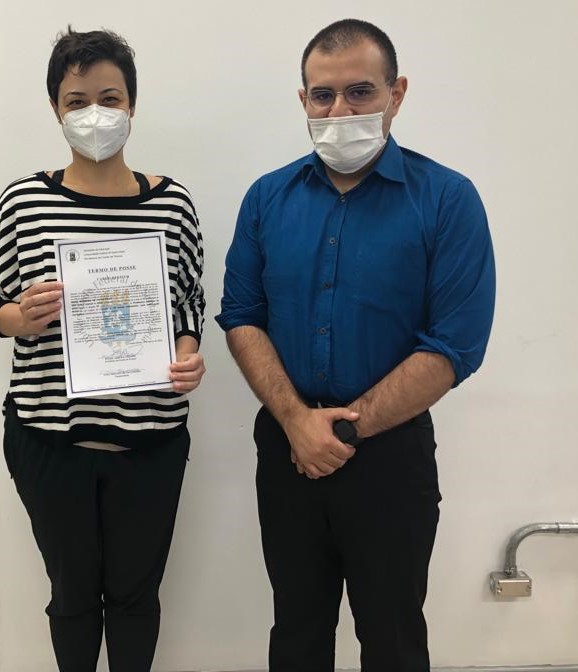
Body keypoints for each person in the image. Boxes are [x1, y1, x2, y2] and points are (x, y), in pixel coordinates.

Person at [216, 18, 495, 672]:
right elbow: (242, 317)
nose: (339, 111)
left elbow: (453, 346)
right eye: (323, 95)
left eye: (360, 92)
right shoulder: (267, 199)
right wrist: (296, 422)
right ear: (303, 100)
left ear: (397, 93)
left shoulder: (447, 200)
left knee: (393, 639)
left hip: (390, 458)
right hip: (287, 450)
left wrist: (341, 430)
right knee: (296, 634)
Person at [0, 28, 205, 672]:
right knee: (72, 597)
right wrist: (19, 317)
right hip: (50, 441)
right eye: (77, 101)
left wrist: (188, 351)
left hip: (150, 442)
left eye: (110, 97)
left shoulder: (171, 203)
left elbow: (189, 300)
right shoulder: (24, 201)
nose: (95, 114)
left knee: (136, 598)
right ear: (56, 108)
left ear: (133, 104)